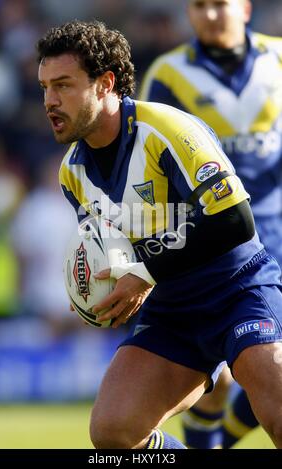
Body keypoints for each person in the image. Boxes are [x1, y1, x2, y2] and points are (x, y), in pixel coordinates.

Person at [36, 19, 282, 449]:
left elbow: (234, 222)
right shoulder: (71, 173)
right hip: (171, 312)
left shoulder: (167, 130)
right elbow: (110, 254)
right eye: (44, 88)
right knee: (112, 434)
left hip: (238, 291)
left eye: (63, 85)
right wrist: (98, 296)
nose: (50, 101)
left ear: (105, 83)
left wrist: (145, 272)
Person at [139, 0, 282, 449]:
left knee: (269, 367)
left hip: (277, 231)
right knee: (213, 377)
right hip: (212, 243)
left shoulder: (279, 58)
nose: (210, 15)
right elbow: (148, 157)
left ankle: (220, 442)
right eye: (199, 6)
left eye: (220, 4)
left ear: (245, 7)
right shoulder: (167, 73)